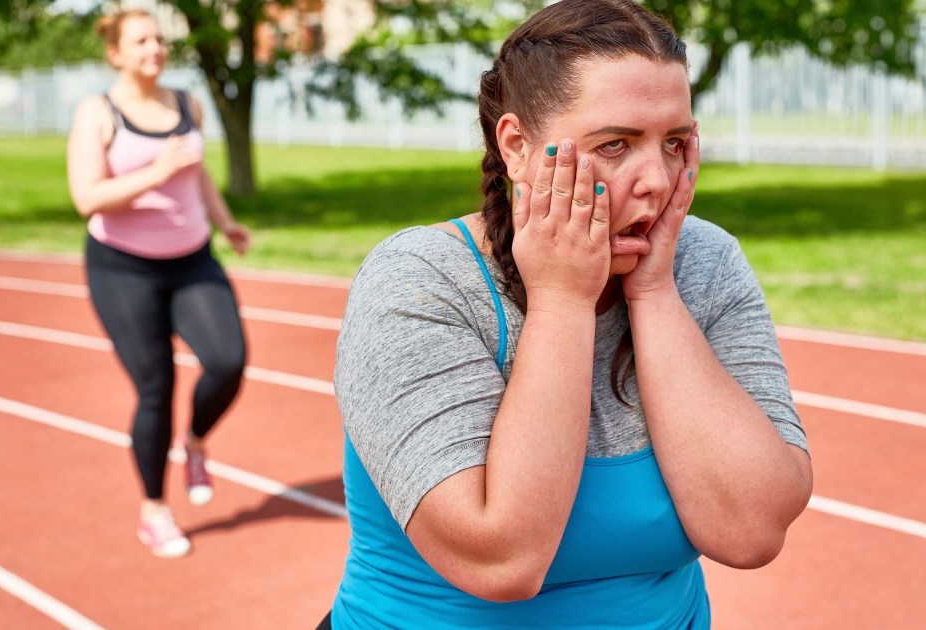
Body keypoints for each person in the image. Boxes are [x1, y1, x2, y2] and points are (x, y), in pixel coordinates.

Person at [324, 0, 813, 626]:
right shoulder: (419, 281)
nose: (658, 180)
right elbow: (502, 559)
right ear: (517, 147)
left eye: (674, 144)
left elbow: (751, 531)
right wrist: (561, 299)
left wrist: (655, 292)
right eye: (615, 144)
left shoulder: (704, 262)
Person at [65, 9, 250, 559]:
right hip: (123, 268)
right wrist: (155, 172)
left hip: (193, 258)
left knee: (227, 361)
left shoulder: (186, 103)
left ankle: (194, 443)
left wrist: (224, 221)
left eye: (161, 39)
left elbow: (197, 172)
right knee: (156, 389)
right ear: (116, 53)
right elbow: (87, 198)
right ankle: (154, 509)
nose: (156, 47)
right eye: (142, 40)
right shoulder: (98, 113)